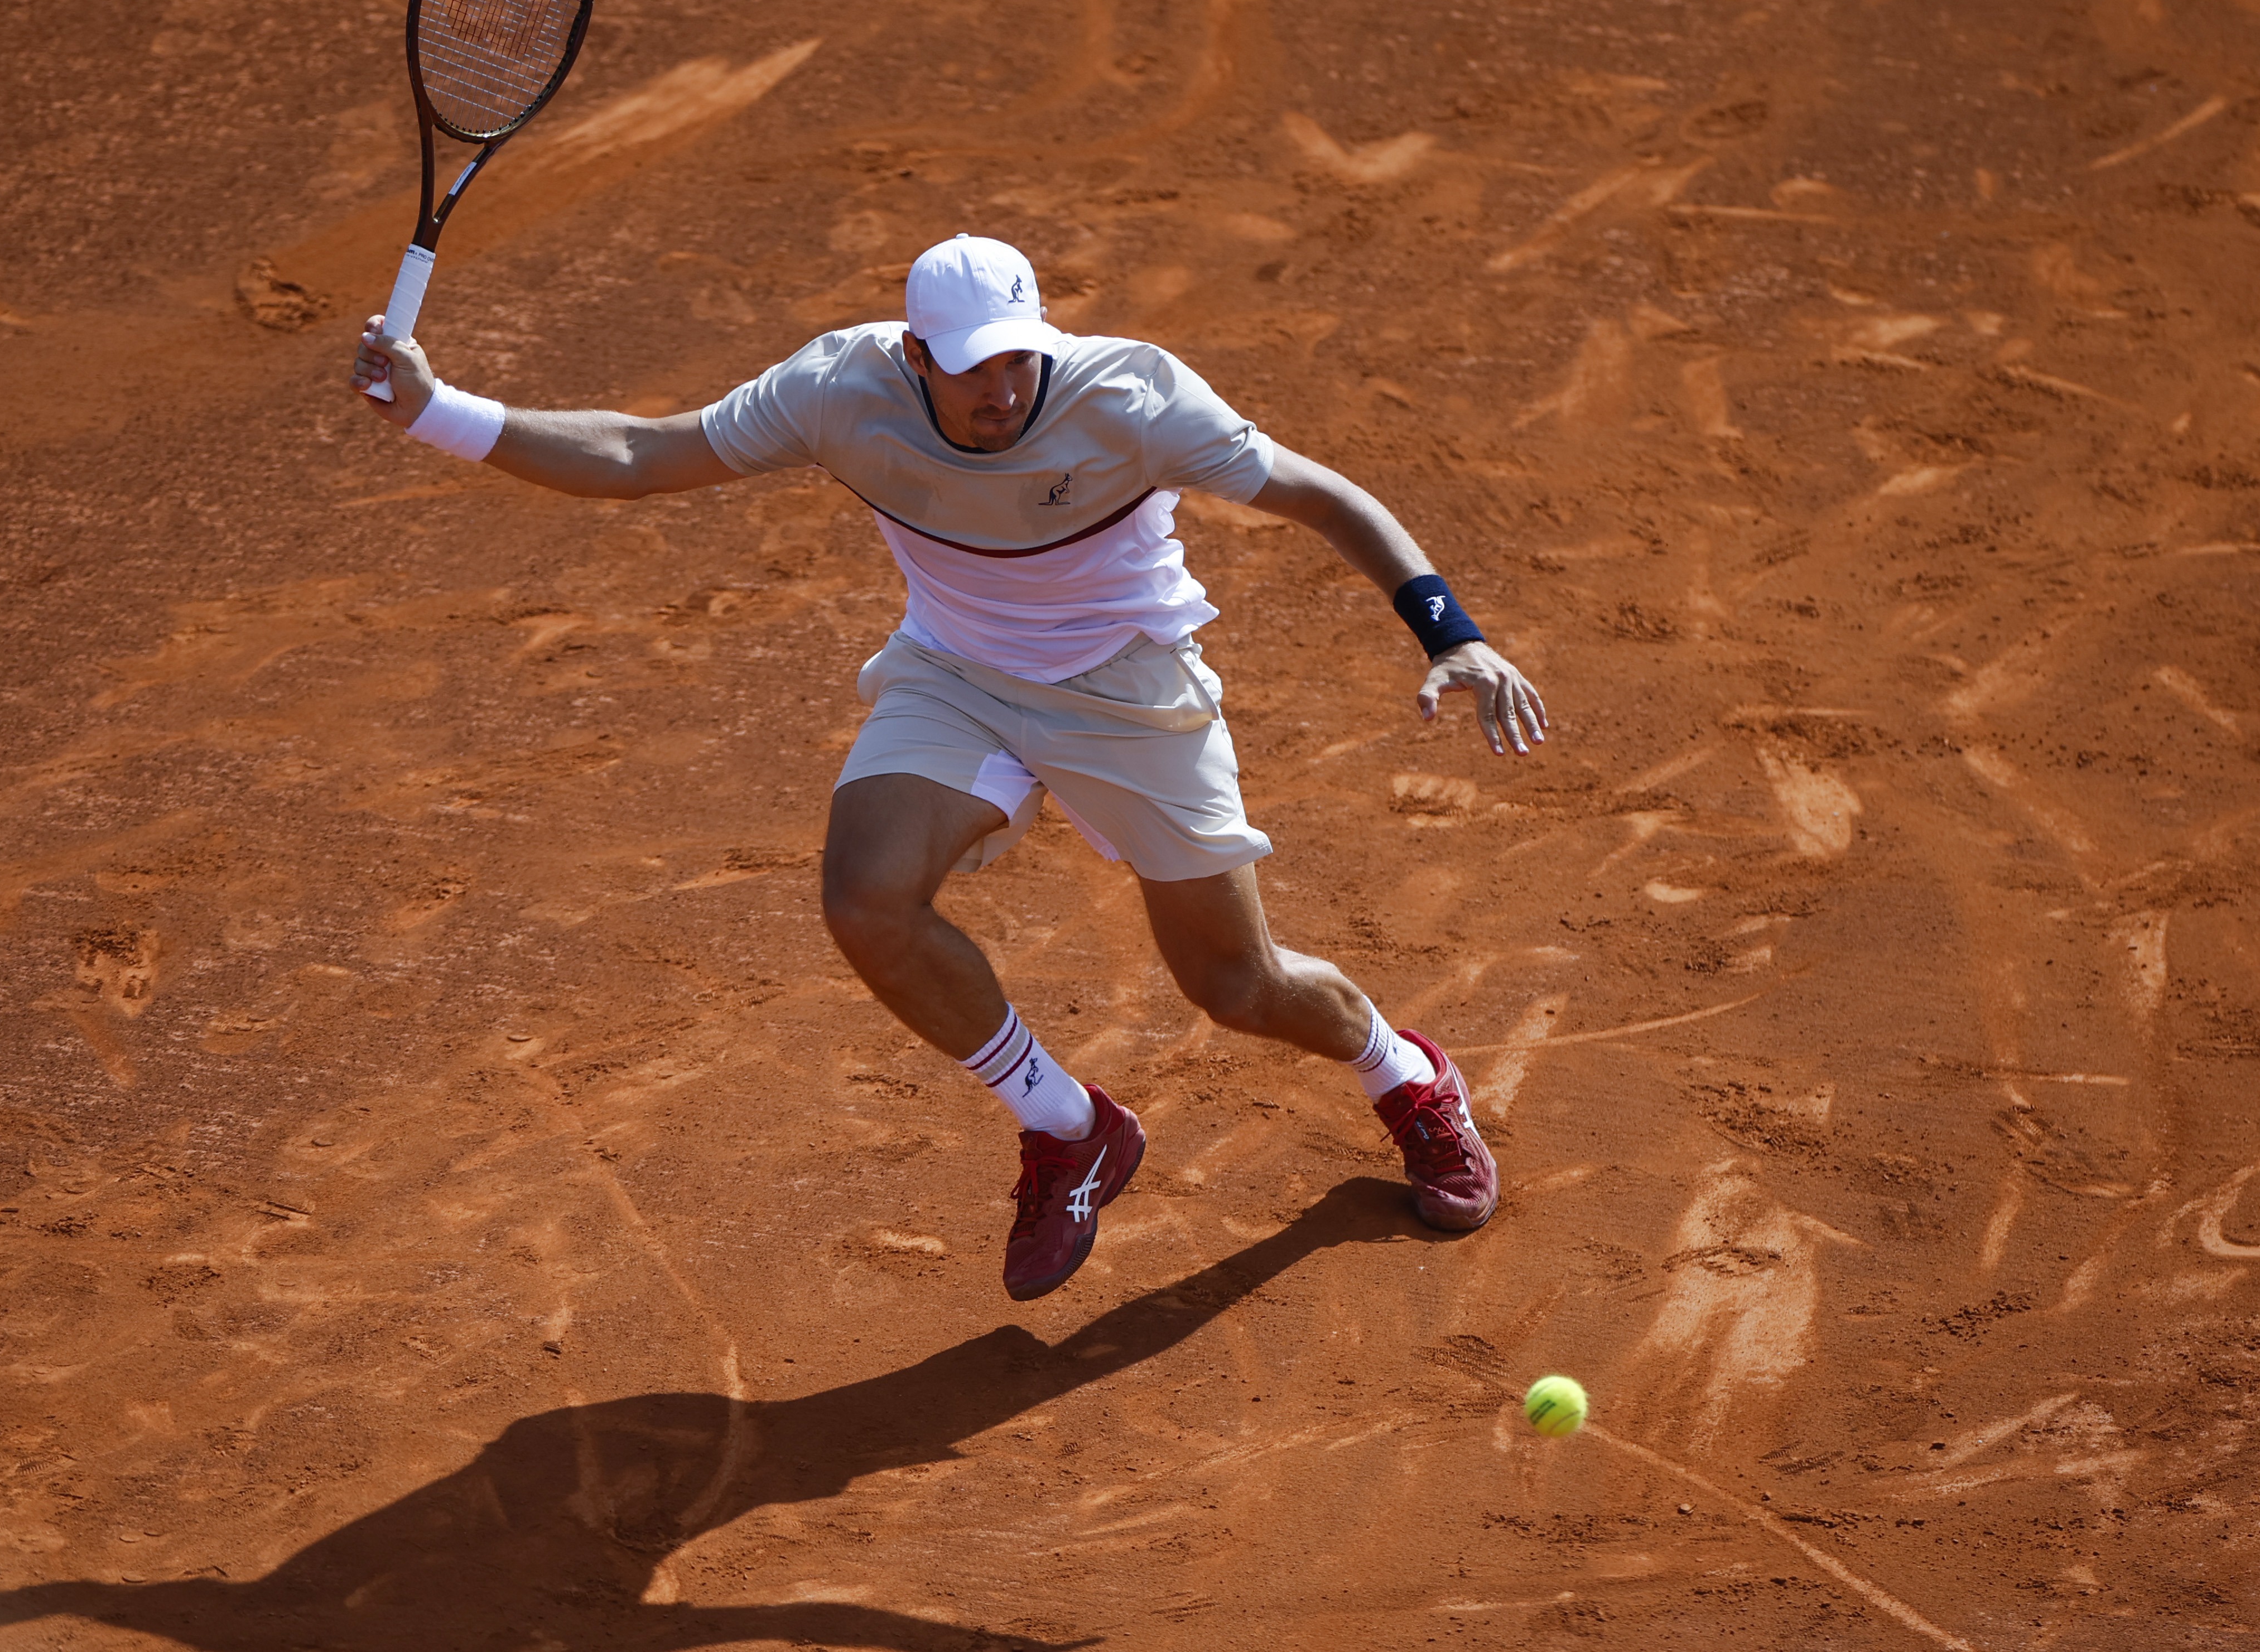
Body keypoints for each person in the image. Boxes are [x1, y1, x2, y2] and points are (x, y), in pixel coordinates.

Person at [350, 234, 1549, 1302]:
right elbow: (637, 454)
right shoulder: (838, 392)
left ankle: (1404, 1077)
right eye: (972, 364)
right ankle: (1068, 1127)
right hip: (958, 679)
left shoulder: (1132, 397)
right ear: (914, 353)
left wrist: (1455, 635)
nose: (1002, 386)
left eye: (1018, 357)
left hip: (1126, 695)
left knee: (1236, 989)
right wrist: (434, 410)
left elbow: (1321, 497)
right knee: (865, 899)